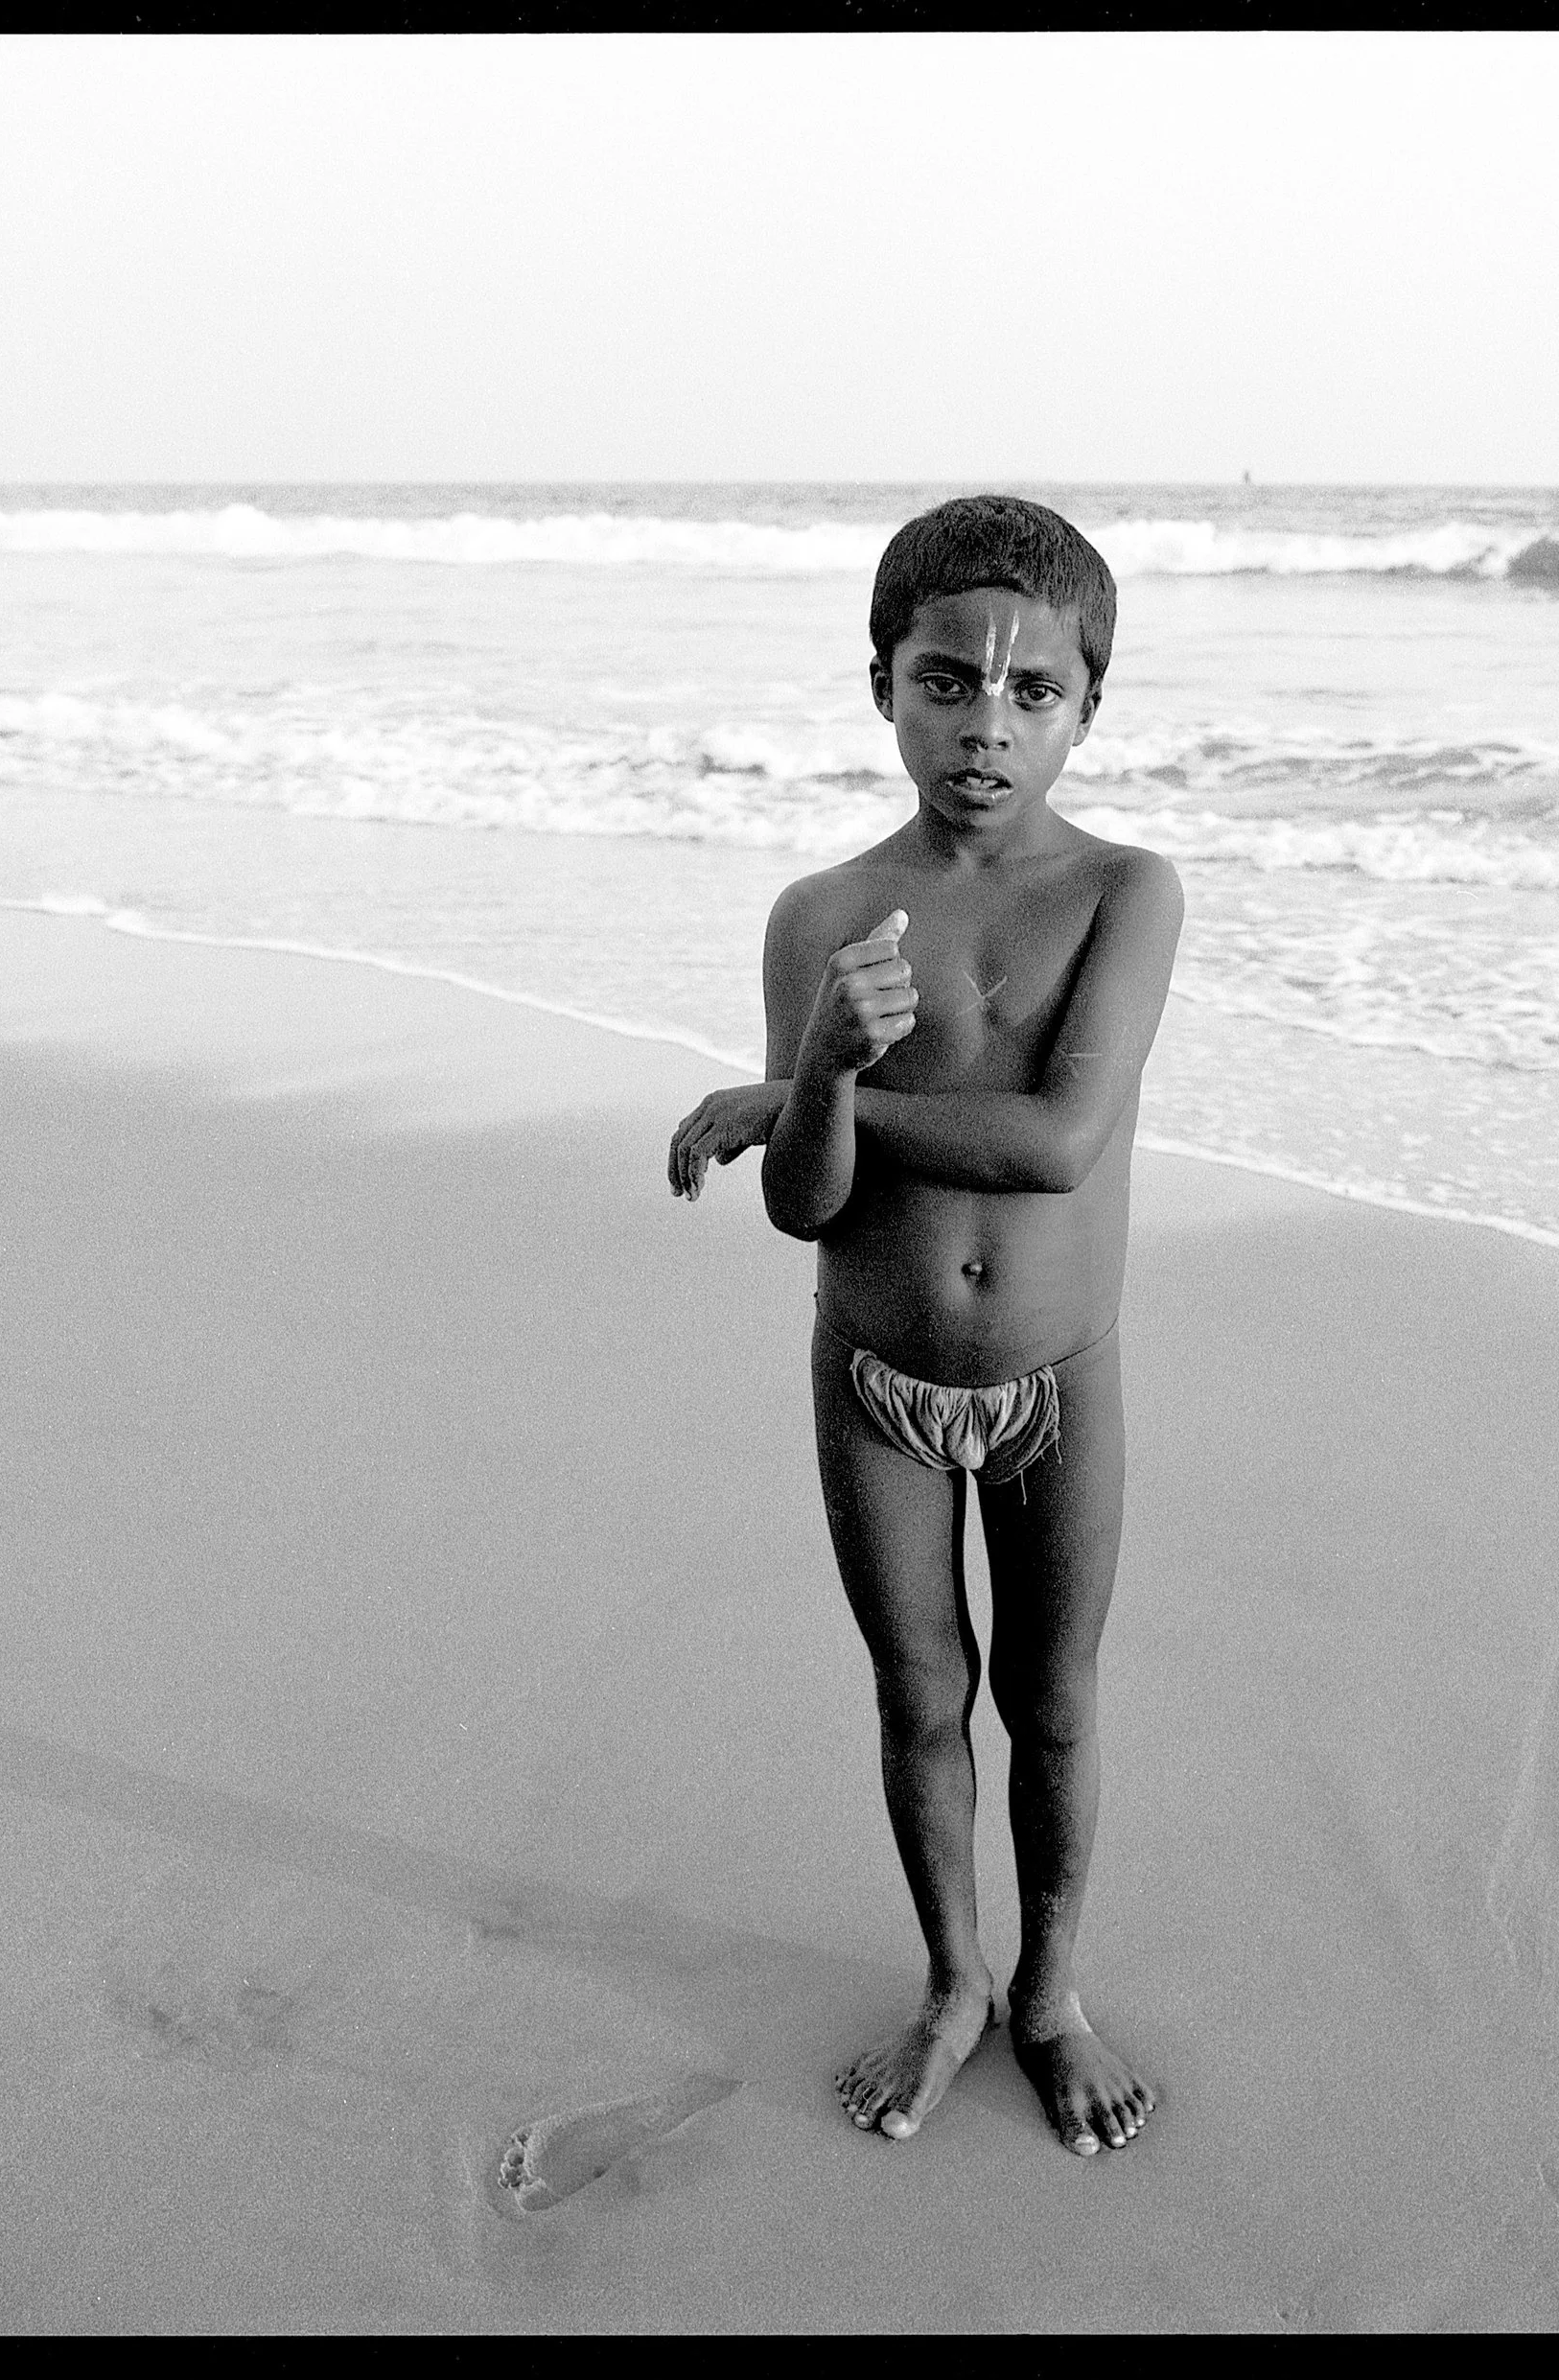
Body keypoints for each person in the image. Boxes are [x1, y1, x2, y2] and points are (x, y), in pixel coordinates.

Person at [666, 495, 1184, 2157]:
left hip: (1057, 1379)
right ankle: (956, 1980)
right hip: (874, 1374)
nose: (987, 721)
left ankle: (1053, 1992)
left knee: (1055, 1699)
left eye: (1036, 693)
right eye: (947, 678)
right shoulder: (822, 917)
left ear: (1089, 710)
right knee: (916, 1689)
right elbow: (801, 1206)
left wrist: (790, 1094)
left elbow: (1056, 1146)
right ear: (881, 685)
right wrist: (816, 1069)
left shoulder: (1124, 890)